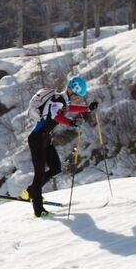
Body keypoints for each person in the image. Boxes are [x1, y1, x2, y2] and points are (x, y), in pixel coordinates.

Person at [23, 75, 99, 217]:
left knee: (56, 168)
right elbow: (55, 115)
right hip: (37, 139)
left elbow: (71, 108)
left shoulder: (63, 101)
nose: (78, 98)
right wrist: (70, 123)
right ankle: (38, 210)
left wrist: (87, 109)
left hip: (45, 139)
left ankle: (30, 191)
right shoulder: (58, 99)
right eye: (78, 95)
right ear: (72, 90)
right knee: (39, 173)